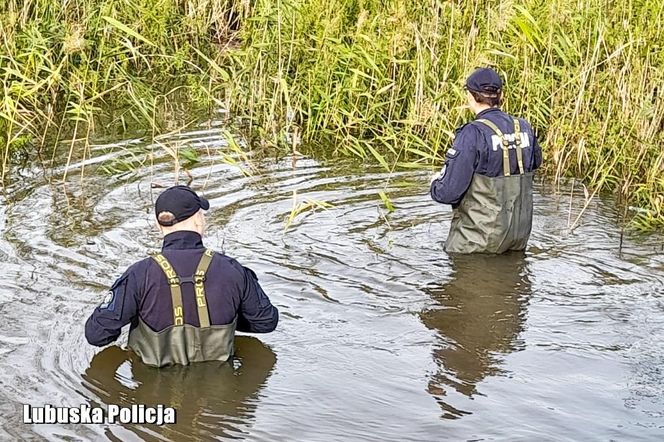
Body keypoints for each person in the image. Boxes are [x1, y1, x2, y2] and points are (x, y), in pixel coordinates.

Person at [85, 185, 279, 367]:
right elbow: (266, 322)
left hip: (155, 392)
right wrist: (229, 315)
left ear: (158, 225)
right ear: (198, 219)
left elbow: (96, 335)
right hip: (217, 392)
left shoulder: (138, 274)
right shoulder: (233, 270)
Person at [430, 67, 542, 254]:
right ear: (501, 95)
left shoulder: (472, 133)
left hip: (476, 244)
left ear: (470, 96)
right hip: (517, 238)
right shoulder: (523, 127)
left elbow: (449, 192)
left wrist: (435, 183)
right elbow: (536, 162)